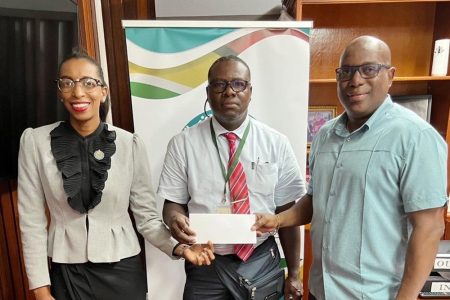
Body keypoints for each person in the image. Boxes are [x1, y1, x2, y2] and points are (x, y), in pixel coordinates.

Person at [252, 35, 448, 300]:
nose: (355, 80)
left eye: (369, 69)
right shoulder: (324, 135)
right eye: (346, 72)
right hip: (321, 289)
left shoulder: (415, 137)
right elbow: (314, 200)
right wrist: (278, 220)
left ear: (390, 75)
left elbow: (430, 227)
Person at [17, 48, 214, 300]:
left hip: (122, 270)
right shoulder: (35, 142)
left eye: (89, 83)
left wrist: (180, 248)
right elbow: (31, 223)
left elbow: (147, 219)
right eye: (68, 83)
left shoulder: (129, 144)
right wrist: (40, 290)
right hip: (66, 272)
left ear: (103, 91)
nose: (78, 92)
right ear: (59, 91)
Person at [158, 55, 306, 300]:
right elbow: (172, 204)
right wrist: (175, 219)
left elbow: (287, 212)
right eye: (219, 85)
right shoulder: (183, 144)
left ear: (250, 91)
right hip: (206, 260)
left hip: (260, 259)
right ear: (208, 92)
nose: (229, 92)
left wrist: (294, 274)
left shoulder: (276, 143)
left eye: (238, 84)